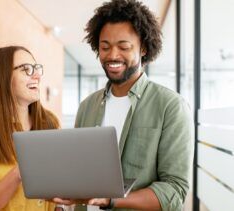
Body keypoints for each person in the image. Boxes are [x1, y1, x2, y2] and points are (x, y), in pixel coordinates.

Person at [54, 0, 193, 210]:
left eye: (124, 47)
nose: (112, 55)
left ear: (143, 48)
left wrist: (111, 200)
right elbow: (80, 173)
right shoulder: (87, 106)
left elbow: (174, 191)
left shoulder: (170, 106)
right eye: (105, 47)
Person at [0, 46, 60, 211]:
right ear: (3, 77)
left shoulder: (50, 122)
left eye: (36, 68)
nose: (36, 75)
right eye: (26, 69)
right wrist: (21, 170)